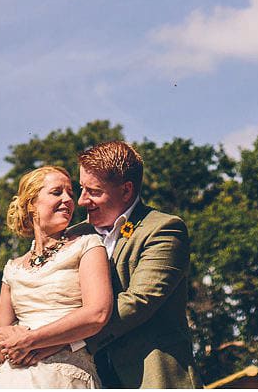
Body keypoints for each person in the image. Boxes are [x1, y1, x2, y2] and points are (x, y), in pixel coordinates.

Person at [71, 141, 197, 388]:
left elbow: (138, 302)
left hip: (150, 377)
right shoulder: (74, 236)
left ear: (127, 191)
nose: (82, 201)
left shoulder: (164, 229)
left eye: (94, 192)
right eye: (81, 189)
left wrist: (60, 338)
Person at [0, 166, 115, 388]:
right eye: (57, 192)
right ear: (31, 204)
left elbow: (97, 314)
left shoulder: (88, 245)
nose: (68, 200)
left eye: (70, 194)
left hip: (63, 377)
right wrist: (0, 336)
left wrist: (31, 340)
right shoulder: (13, 269)